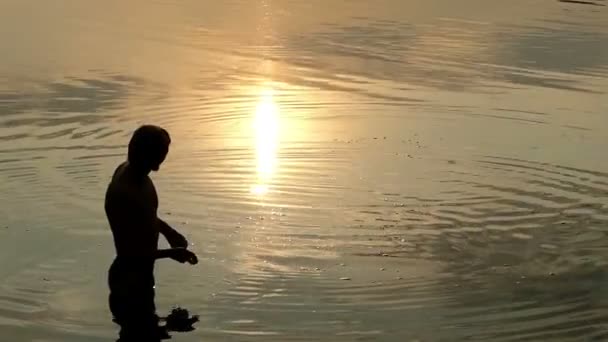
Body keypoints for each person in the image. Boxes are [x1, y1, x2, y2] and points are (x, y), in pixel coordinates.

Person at [104, 124, 198, 341]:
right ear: (151, 155)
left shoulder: (134, 173)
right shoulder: (125, 190)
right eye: (162, 153)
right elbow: (131, 254)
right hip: (128, 281)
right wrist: (172, 253)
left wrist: (168, 231)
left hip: (141, 277)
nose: (164, 158)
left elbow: (143, 216)